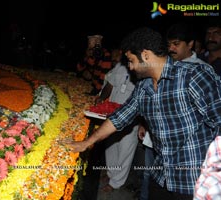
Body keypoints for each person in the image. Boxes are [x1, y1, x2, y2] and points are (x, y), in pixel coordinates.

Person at [66, 27, 221, 200]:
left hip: (194, 180)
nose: (130, 67)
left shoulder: (193, 76)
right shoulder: (143, 87)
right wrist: (87, 142)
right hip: (161, 176)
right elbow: (119, 118)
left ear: (146, 55)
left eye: (131, 60)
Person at [95, 49, 139, 192]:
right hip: (112, 114)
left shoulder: (143, 68)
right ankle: (110, 174)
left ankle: (116, 183)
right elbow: (110, 84)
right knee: (111, 146)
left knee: (125, 150)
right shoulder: (120, 66)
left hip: (131, 116)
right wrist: (102, 98)